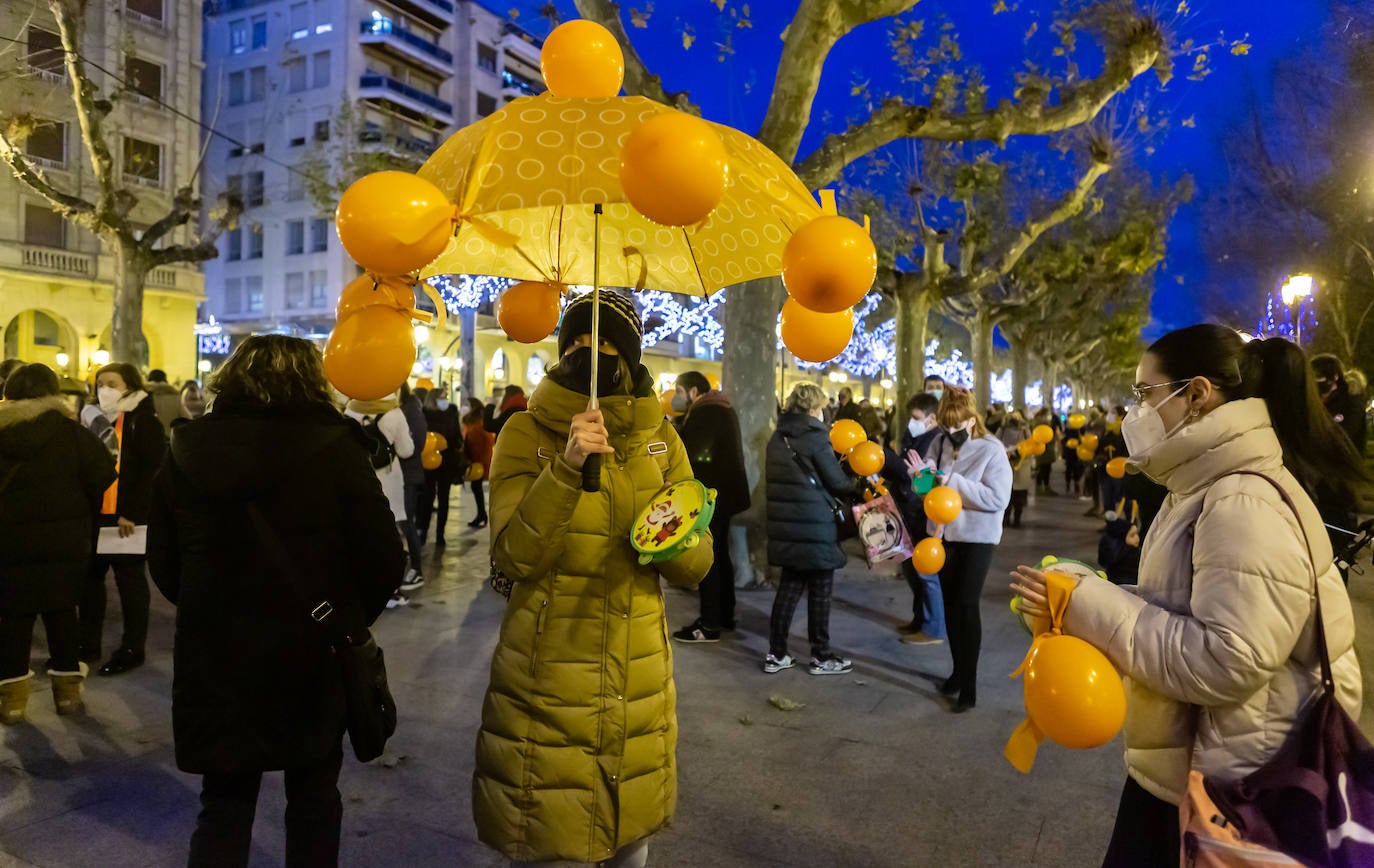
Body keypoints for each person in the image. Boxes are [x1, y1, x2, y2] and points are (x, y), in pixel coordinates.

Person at [1010, 326, 1366, 868]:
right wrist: (1084, 598)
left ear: (1196, 393)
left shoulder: (1240, 500)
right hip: (1193, 766)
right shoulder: (1203, 486)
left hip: (1228, 787)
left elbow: (1228, 658)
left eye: (1144, 393)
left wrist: (1092, 606)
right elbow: (1186, 604)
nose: (1137, 411)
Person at [473, 290, 712, 867]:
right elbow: (513, 559)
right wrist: (566, 468)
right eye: (578, 344)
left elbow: (695, 566)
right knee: (551, 838)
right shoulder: (524, 435)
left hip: (639, 683)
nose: (592, 356)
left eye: (606, 347)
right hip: (547, 679)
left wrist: (662, 529)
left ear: (630, 359)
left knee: (632, 843)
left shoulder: (662, 441)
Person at [147, 335, 404, 868]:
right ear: (312, 381)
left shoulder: (186, 448)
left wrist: (209, 605)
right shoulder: (336, 447)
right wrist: (345, 617)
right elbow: (383, 556)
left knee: (223, 804)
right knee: (312, 798)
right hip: (312, 651)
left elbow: (164, 561)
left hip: (216, 652)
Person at [0, 364, 116, 724]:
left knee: (13, 619)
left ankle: (12, 703)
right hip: (64, 544)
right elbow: (104, 476)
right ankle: (67, 697)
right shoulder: (71, 432)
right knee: (63, 614)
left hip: (9, 543)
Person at [919, 387, 1011, 712]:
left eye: (958, 425)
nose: (952, 432)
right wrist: (920, 478)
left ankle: (969, 684)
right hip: (944, 537)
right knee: (950, 606)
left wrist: (952, 483)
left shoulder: (992, 449)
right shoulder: (939, 441)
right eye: (947, 426)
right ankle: (957, 672)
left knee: (967, 604)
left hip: (978, 539)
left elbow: (998, 498)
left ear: (973, 420)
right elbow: (927, 488)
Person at [80, 362, 167, 675]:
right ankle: (87, 645)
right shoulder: (92, 418)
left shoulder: (142, 421)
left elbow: (152, 471)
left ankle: (132, 648)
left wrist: (131, 511)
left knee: (130, 583)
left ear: (130, 385)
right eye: (100, 383)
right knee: (90, 583)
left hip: (126, 518)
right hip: (96, 515)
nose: (104, 389)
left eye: (112, 383)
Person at [763, 382, 855, 676]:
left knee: (788, 589)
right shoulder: (816, 438)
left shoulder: (778, 438)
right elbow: (837, 482)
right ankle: (821, 655)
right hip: (815, 526)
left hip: (786, 525)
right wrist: (856, 480)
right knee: (820, 591)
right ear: (816, 409)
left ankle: (776, 653)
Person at [670, 370, 751, 643]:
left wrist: (677, 434)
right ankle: (724, 615)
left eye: (679, 392)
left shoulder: (707, 412)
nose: (676, 397)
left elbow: (697, 454)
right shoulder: (721, 407)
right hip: (726, 494)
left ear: (694, 391)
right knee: (720, 555)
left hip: (711, 495)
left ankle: (709, 624)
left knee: (708, 559)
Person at [344, 391, 422, 607]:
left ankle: (363, 584)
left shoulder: (351, 410)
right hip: (389, 478)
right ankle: (392, 589)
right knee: (393, 533)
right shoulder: (394, 413)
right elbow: (406, 451)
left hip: (359, 475)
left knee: (363, 532)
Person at [897, 392, 946, 645]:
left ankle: (933, 628)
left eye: (916, 418)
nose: (911, 422)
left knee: (927, 573)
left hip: (923, 513)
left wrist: (909, 475)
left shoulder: (935, 441)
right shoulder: (917, 437)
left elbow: (926, 483)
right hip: (912, 511)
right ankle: (920, 620)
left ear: (931, 418)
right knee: (914, 571)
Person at [418, 391, 464, 544]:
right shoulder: (424, 414)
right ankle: (423, 530)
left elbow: (457, 435)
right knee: (427, 497)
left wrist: (456, 443)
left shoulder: (451, 412)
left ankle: (440, 534)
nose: (445, 400)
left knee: (444, 498)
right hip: (429, 460)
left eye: (446, 397)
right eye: (442, 398)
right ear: (433, 400)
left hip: (447, 460)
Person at [1311, 353, 1367, 454]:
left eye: (1318, 376)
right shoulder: (1316, 399)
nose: (1314, 382)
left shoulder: (1351, 401)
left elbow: (1345, 436)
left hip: (1346, 464)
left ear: (1334, 377)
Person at [397, 383, 428, 560]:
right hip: (401, 472)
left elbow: (418, 441)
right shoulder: (403, 407)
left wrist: (400, 449)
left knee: (407, 520)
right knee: (403, 520)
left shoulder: (411, 408)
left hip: (409, 472)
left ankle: (416, 566)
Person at [461, 397, 492, 529]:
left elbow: (474, 444)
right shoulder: (481, 423)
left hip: (477, 461)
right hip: (481, 460)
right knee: (476, 487)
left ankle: (481, 514)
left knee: (476, 487)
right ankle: (482, 514)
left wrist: (470, 460)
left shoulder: (475, 426)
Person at [997, 411, 1031, 528]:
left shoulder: (1024, 429)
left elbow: (1030, 445)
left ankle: (1014, 520)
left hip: (1020, 464)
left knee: (1016, 495)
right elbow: (996, 442)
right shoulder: (1003, 429)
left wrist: (1015, 449)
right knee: (1010, 494)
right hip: (1010, 464)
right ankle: (1008, 519)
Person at [145, 369, 186, 434]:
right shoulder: (175, 397)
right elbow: (186, 418)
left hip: (149, 438)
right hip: (170, 438)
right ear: (165, 379)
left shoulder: (144, 396)